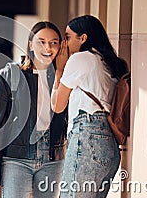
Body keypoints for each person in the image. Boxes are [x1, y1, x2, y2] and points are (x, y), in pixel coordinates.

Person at [0, 21, 68, 198]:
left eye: (54, 42)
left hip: (53, 161)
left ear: (60, 46)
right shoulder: (9, 75)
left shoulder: (65, 77)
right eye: (41, 41)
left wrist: (61, 71)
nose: (48, 47)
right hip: (16, 160)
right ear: (30, 44)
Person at [51, 15, 129, 197]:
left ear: (83, 38)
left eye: (68, 37)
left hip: (88, 138)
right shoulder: (108, 62)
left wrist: (60, 70)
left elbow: (57, 106)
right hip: (108, 145)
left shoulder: (81, 59)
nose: (65, 43)